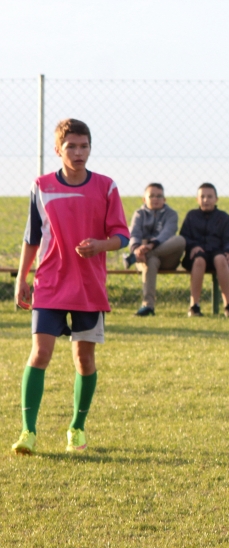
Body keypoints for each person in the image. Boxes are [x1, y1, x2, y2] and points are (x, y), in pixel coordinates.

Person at [11, 118, 130, 455]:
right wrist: (22, 277)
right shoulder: (42, 186)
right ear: (57, 150)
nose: (79, 153)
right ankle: (28, 432)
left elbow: (122, 236)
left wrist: (101, 245)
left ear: (90, 148)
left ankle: (76, 428)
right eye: (71, 147)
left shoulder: (106, 187)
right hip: (49, 283)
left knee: (84, 360)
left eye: (84, 146)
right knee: (40, 353)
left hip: (89, 287)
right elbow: (32, 238)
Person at [127, 182, 185, 316]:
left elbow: (168, 233)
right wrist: (136, 249)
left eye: (159, 196)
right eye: (152, 196)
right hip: (143, 258)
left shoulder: (171, 214)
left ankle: (134, 258)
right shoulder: (139, 214)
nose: (155, 199)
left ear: (164, 199)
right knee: (151, 260)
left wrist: (151, 245)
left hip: (167, 257)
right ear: (144, 199)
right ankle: (148, 306)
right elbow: (134, 234)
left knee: (180, 240)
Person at [179, 183, 229, 317]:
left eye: (210, 196)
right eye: (202, 197)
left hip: (217, 253)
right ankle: (194, 306)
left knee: (221, 259)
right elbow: (183, 237)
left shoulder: (224, 218)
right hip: (196, 256)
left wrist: (228, 251)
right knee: (199, 260)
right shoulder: (191, 216)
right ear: (197, 199)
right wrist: (192, 246)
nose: (206, 200)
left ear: (216, 199)